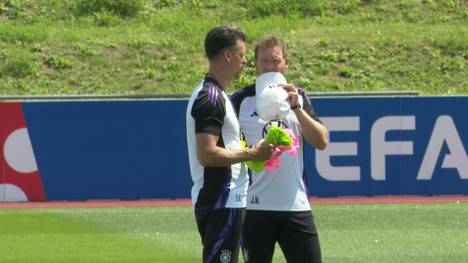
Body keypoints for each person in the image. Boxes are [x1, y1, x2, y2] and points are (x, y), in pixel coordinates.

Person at [231, 36, 329, 263]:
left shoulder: (299, 97)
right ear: (254, 64)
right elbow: (224, 145)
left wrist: (296, 108)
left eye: (275, 61)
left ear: (286, 62)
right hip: (254, 206)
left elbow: (322, 141)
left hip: (295, 204)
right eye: (264, 61)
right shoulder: (240, 101)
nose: (269, 67)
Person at [186, 26, 276, 263]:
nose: (245, 61)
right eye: (242, 54)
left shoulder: (217, 94)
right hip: (220, 198)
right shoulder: (211, 97)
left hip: (226, 198)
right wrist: (251, 153)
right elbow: (207, 153)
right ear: (228, 55)